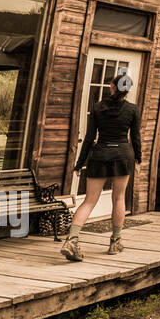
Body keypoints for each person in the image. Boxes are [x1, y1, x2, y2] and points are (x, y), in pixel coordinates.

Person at [61, 71, 141, 261]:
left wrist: (79, 164)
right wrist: (138, 159)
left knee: (89, 200)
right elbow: (135, 137)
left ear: (112, 87)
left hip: (100, 155)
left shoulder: (97, 108)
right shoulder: (133, 110)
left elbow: (89, 138)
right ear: (128, 90)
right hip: (122, 155)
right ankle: (115, 242)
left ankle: (72, 240)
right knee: (119, 198)